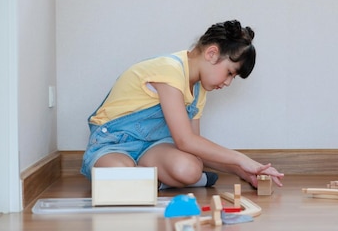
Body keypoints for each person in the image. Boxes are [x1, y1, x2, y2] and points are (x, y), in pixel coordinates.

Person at [80, 20, 284, 189]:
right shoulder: (170, 70)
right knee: (120, 175)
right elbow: (185, 141)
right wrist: (242, 159)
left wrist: (244, 172)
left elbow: (194, 147)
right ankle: (157, 181)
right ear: (212, 53)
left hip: (152, 149)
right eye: (230, 72)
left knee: (189, 168)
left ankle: (151, 180)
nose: (228, 82)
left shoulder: (199, 90)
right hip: (113, 144)